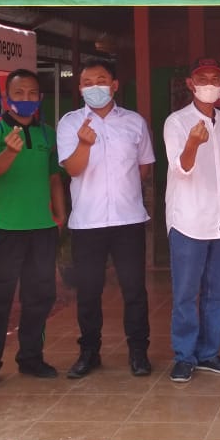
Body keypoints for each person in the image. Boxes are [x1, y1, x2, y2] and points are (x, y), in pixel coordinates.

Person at [57, 57, 155, 379]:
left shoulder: (134, 122)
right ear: (80, 88)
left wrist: (123, 192)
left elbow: (144, 168)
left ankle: (139, 352)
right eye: (87, 83)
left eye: (101, 81)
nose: (94, 87)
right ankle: (89, 352)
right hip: (88, 223)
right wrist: (85, 144)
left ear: (114, 85)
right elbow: (73, 169)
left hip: (128, 221)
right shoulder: (70, 123)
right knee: (88, 292)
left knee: (134, 290)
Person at [0, 69, 66, 392]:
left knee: (40, 296)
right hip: (5, 228)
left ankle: (31, 358)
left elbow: (54, 178)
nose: (26, 99)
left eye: (32, 93)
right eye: (19, 93)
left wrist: (60, 215)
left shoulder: (47, 134)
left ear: (40, 98)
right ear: (5, 98)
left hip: (42, 228)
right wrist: (10, 151)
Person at [164, 57, 220, 383]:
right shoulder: (177, 122)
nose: (209, 84)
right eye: (202, 78)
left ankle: (209, 353)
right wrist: (193, 143)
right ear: (190, 84)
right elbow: (181, 168)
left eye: (215, 79)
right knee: (185, 294)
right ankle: (184, 356)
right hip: (189, 221)